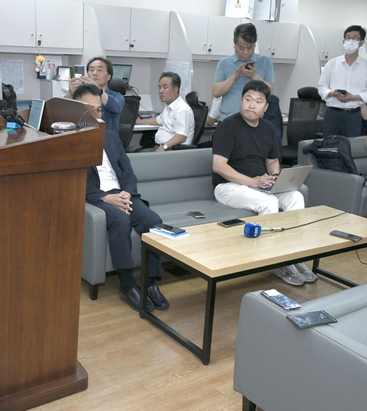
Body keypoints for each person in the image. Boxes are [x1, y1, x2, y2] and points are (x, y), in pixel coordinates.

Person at [74, 84, 169, 312]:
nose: (97, 115)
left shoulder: (111, 137)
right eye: (91, 110)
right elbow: (77, 182)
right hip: (99, 199)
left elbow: (127, 171)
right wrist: (107, 198)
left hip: (123, 195)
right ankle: (127, 285)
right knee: (120, 220)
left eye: (99, 110)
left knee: (152, 221)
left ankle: (150, 282)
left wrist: (126, 191)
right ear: (76, 110)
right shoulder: (70, 140)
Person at [212, 80, 315, 286]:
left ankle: (293, 256)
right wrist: (253, 181)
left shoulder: (268, 128)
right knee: (268, 203)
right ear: (241, 101)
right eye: (248, 99)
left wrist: (275, 178)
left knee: (295, 196)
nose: (252, 105)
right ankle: (272, 261)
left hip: (258, 185)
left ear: (266, 107)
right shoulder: (228, 126)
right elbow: (219, 166)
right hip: (228, 186)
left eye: (258, 101)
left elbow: (273, 161)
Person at [213, 23, 275, 122]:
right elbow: (216, 92)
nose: (245, 52)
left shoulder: (265, 61)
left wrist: (255, 77)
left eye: (250, 47)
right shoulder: (224, 63)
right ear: (234, 44)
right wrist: (234, 77)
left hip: (254, 122)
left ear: (255, 44)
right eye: (241, 47)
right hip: (227, 121)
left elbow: (270, 91)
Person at [317, 25, 367, 138]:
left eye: (355, 38)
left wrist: (354, 97)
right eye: (348, 37)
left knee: (350, 150)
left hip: (353, 115)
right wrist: (332, 93)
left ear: (361, 43)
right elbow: (321, 87)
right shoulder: (332, 63)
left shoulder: (365, 66)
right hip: (332, 114)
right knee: (329, 149)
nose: (350, 41)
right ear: (343, 41)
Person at [135, 72, 194, 151]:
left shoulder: (182, 109)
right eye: (160, 87)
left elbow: (181, 136)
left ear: (176, 89)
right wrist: (139, 121)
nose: (161, 91)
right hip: (163, 147)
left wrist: (164, 146)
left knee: (134, 157)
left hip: (172, 150)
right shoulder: (169, 106)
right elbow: (158, 120)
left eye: (165, 87)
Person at [65, 56, 124, 134]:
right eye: (91, 70)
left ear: (109, 76)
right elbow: (61, 113)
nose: (95, 73)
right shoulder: (81, 95)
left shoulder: (118, 97)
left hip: (106, 142)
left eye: (100, 70)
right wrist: (70, 94)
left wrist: (97, 88)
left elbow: (116, 106)